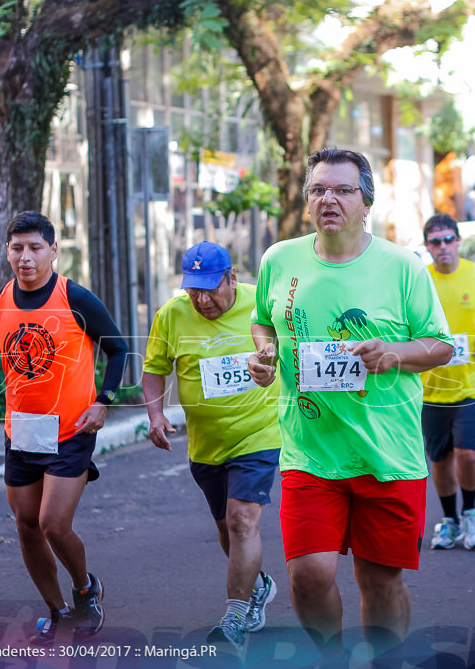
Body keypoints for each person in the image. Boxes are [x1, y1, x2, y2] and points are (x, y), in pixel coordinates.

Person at [247, 148, 452, 658]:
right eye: (318, 190)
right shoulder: (279, 259)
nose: (329, 200)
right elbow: (261, 320)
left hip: (388, 456)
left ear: (366, 202)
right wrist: (265, 350)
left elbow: (440, 346)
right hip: (310, 452)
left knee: (379, 582)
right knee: (308, 577)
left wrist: (394, 354)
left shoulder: (402, 266)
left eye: (342, 190)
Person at [0, 211, 127, 645]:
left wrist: (103, 403)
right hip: (22, 431)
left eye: (35, 247)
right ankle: (57, 611)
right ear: (7, 252)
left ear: (54, 251)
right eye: (17, 248)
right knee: (26, 524)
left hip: (71, 429)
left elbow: (118, 350)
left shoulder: (77, 298)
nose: (25, 257)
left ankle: (85, 589)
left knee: (53, 523)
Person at [142, 241, 281, 649]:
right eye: (193, 289)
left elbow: (295, 350)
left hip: (259, 434)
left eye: (209, 288)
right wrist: (155, 415)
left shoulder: (262, 303)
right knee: (226, 527)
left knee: (242, 522)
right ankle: (258, 585)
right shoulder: (172, 314)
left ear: (232, 278)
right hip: (206, 446)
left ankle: (235, 617)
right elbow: (154, 369)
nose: (201, 299)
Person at [419, 214, 475, 551]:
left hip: (472, 383)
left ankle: (470, 512)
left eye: (448, 239)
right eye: (435, 241)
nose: (443, 247)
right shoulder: (419, 280)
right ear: (427, 246)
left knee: (467, 453)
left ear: (458, 241)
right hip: (430, 386)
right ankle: (449, 520)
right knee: (440, 459)